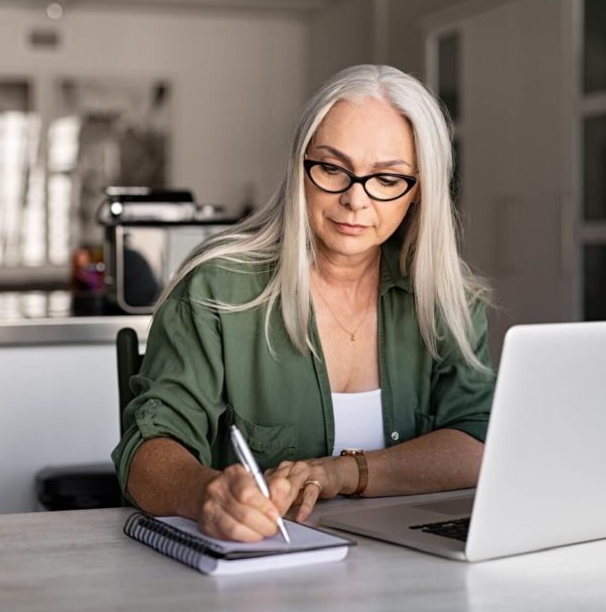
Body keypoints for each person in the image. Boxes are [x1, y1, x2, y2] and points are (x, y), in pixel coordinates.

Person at [112, 64, 494, 542]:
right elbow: (147, 449)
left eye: (388, 178)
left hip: (414, 565)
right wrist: (203, 493)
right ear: (300, 168)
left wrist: (342, 472)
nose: (356, 200)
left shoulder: (447, 298)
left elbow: (478, 443)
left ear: (419, 192)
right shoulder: (215, 287)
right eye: (333, 168)